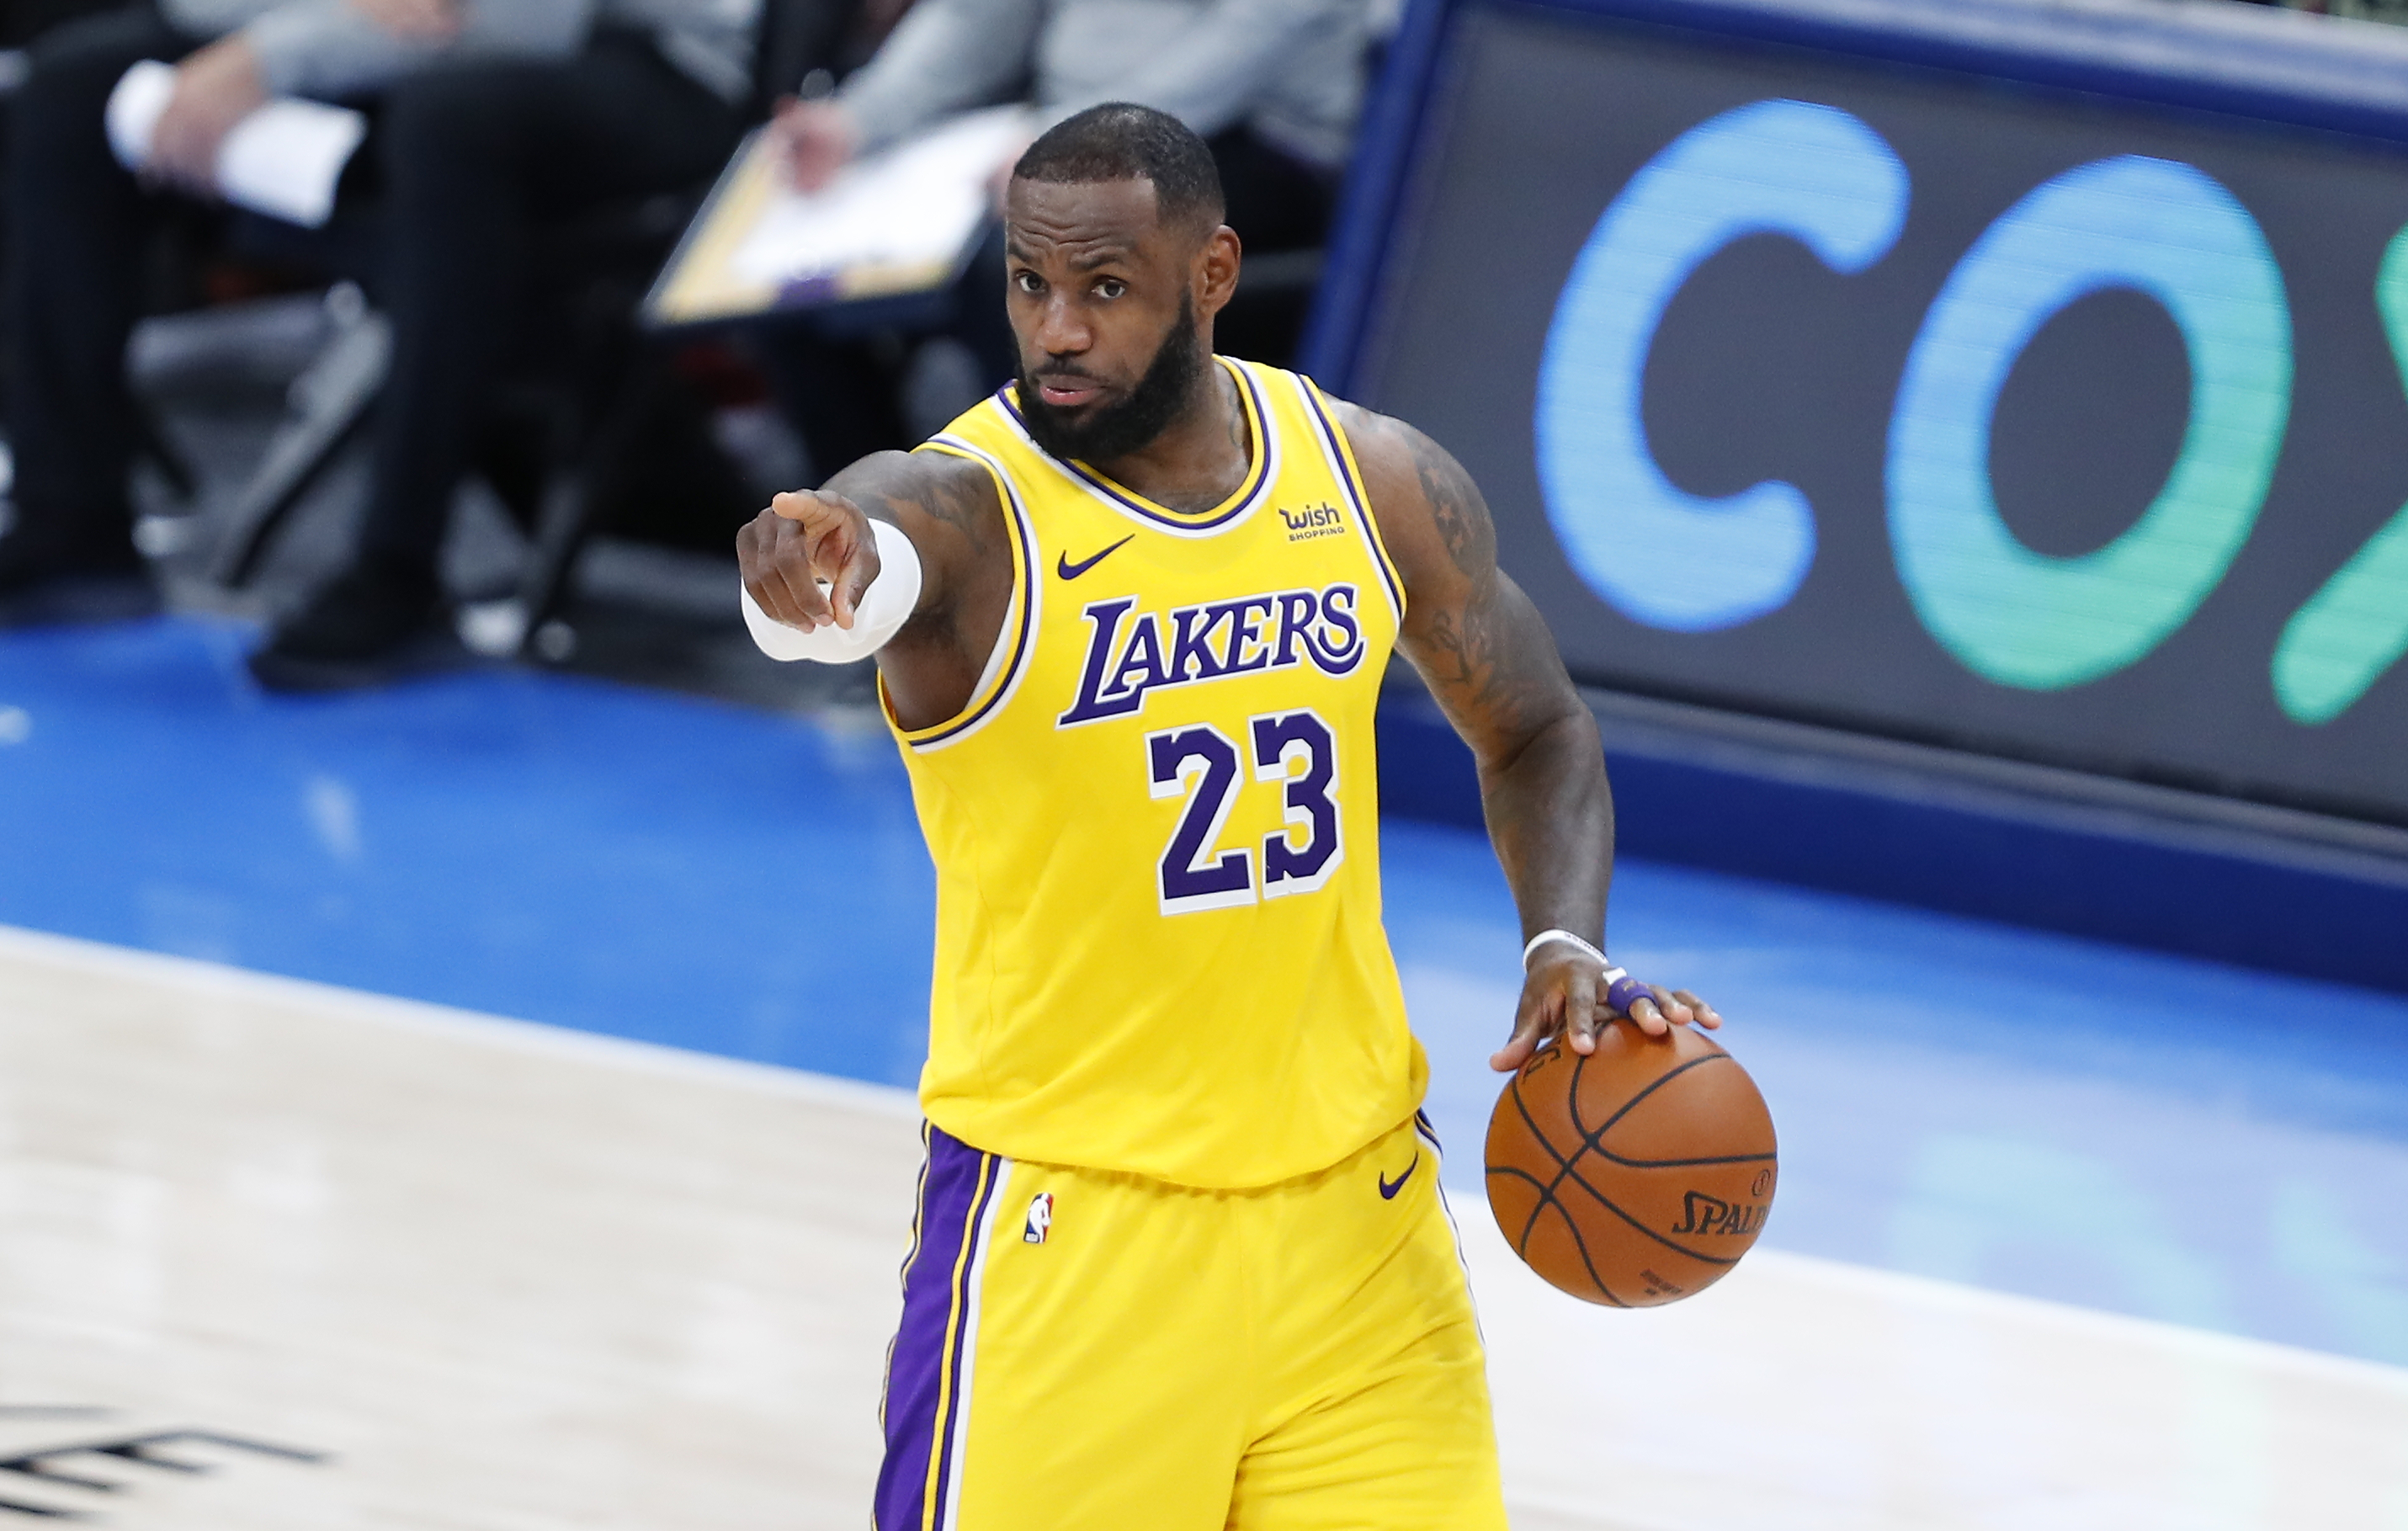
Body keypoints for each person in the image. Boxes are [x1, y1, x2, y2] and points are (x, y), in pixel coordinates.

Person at [738, 104, 1719, 1528]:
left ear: (1209, 275)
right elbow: (871, 541)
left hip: (1359, 1233)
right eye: (1029, 284)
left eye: (1105, 288)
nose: (1058, 328)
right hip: (1079, 1238)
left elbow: (1539, 726)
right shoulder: (974, 510)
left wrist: (1562, 938)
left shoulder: (1366, 476)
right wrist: (813, 567)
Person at [0, 0, 753, 688]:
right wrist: (282, 35)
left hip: (655, 55)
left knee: (448, 124)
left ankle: (398, 566)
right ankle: (72, 520)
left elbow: (534, 18)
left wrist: (275, 56)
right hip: (393, 33)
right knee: (74, 84)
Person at [753, 0, 1365, 479]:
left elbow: (1262, 29)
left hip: (1253, 134)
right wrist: (858, 120)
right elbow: (976, 18)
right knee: (788, 287)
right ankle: (883, 556)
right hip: (1062, 124)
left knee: (1030, 262)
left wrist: (1084, 138)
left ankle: (1080, 540)